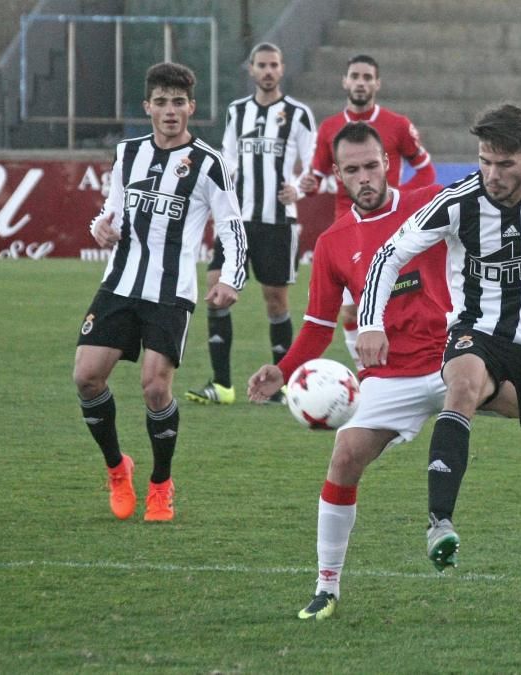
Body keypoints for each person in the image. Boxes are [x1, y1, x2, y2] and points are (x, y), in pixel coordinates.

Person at [248, 122, 521, 622]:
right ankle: (328, 585)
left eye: (372, 165)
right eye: (352, 170)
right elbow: (317, 323)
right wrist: (285, 368)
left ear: (387, 163)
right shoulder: (335, 242)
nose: (364, 177)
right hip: (397, 374)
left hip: (463, 350)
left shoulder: (433, 198)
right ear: (338, 175)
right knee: (344, 458)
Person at [73, 62, 247, 522]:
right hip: (120, 283)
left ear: (191, 107)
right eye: (161, 102)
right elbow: (110, 213)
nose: (170, 111)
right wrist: (100, 231)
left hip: (172, 292)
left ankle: (160, 484)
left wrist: (232, 278)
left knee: (154, 387)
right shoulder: (128, 153)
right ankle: (117, 468)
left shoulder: (209, 163)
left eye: (178, 103)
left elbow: (233, 228)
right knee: (87, 377)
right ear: (148, 106)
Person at [186, 42, 316, 406]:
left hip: (277, 221)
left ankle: (282, 386)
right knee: (215, 289)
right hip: (236, 221)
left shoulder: (298, 113)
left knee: (275, 301)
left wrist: (298, 189)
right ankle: (223, 386)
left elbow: (313, 164)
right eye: (262, 65)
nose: (268, 71)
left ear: (282, 68)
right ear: (252, 70)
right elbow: (227, 160)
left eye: (274, 64)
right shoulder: (236, 112)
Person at [298, 54, 435, 369]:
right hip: (348, 231)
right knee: (349, 311)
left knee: (402, 301)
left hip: (393, 227)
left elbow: (425, 169)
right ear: (345, 81)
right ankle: (366, 372)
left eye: (367, 77)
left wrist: (407, 203)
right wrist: (308, 182)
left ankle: (416, 368)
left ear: (377, 83)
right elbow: (317, 175)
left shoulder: (398, 124)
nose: (361, 82)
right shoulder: (330, 128)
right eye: (355, 76)